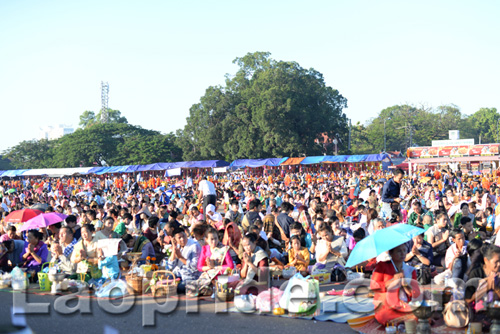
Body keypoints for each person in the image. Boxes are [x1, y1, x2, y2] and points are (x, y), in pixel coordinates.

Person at [370, 244, 420, 325]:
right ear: (391, 253)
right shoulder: (382, 266)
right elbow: (374, 287)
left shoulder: (410, 270)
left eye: (404, 250)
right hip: (386, 305)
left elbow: (416, 293)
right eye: (399, 251)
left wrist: (405, 285)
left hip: (404, 304)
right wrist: (393, 281)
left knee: (423, 316)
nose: (403, 253)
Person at [191, 228, 234, 296]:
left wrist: (215, 266)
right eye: (211, 239)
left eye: (215, 238)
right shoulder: (205, 249)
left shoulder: (223, 249)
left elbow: (231, 266)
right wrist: (209, 267)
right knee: (192, 289)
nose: (214, 241)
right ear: (206, 240)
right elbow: (199, 267)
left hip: (220, 275)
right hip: (209, 275)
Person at [465, 245, 500, 329]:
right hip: (480, 312)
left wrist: (496, 288)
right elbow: (468, 299)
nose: (499, 264)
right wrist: (487, 287)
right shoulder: (476, 273)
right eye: (496, 262)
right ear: (486, 261)